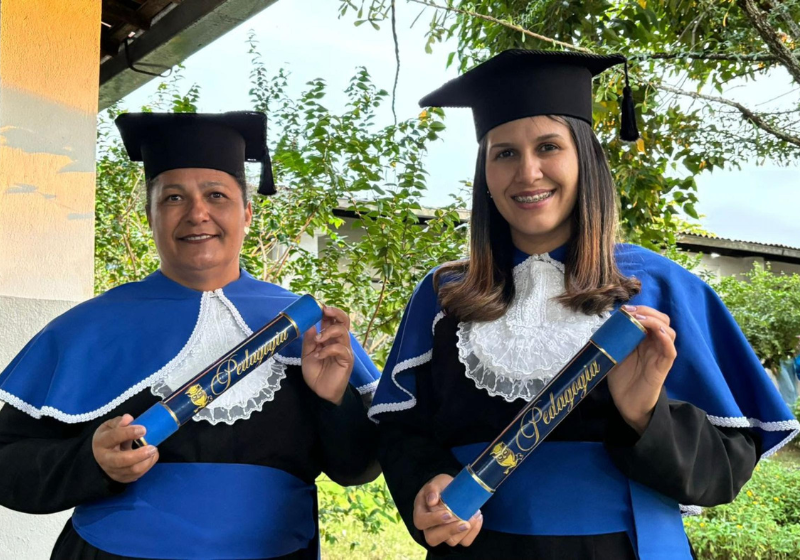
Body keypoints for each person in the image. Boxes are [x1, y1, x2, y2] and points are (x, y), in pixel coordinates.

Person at [369, 50, 799, 559]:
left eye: (548, 147)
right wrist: (426, 486)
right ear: (484, 173)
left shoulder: (659, 288)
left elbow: (722, 473)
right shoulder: (444, 297)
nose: (527, 172)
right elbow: (403, 434)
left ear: (586, 159)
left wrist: (643, 414)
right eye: (503, 153)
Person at [0, 111, 381, 560]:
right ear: (150, 216)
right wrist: (90, 461)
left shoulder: (306, 328)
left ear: (247, 213)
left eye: (216, 195)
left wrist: (333, 400)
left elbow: (357, 468)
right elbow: (9, 462)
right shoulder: (91, 326)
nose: (197, 212)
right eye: (173, 198)